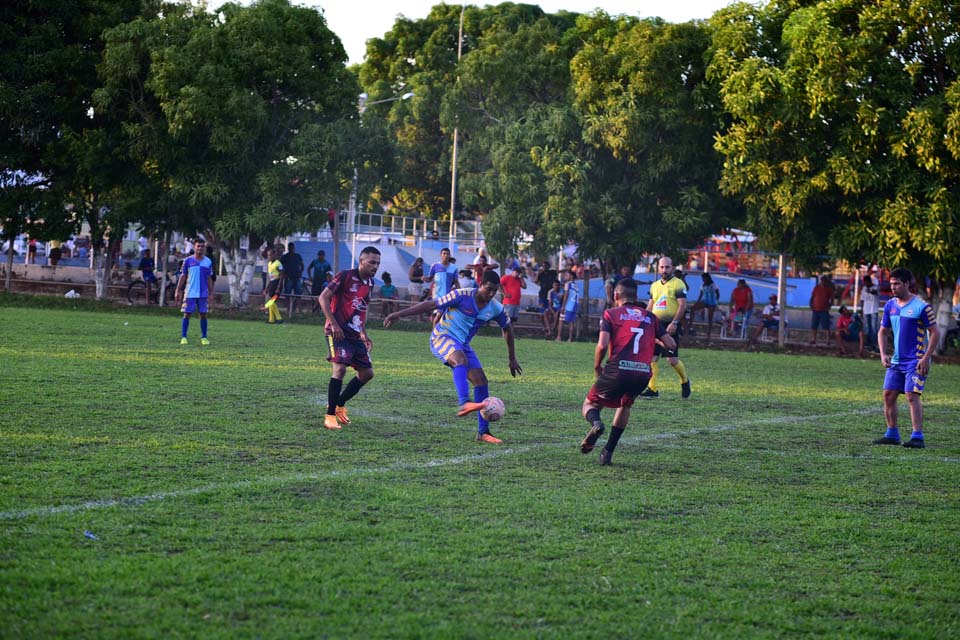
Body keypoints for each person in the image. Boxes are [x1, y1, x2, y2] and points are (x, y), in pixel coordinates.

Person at [383, 270, 522, 444]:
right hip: (442, 337)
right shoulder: (461, 295)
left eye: (495, 291)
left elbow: (507, 328)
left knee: (481, 381)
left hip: (463, 345)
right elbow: (431, 304)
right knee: (460, 360)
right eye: (488, 289)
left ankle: (483, 433)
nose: (491, 294)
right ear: (480, 285)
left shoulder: (495, 308)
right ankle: (464, 402)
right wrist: (399, 314)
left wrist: (512, 358)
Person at [580, 278, 676, 465]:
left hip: (618, 369)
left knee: (589, 404)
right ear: (636, 296)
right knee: (625, 405)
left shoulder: (611, 314)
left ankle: (597, 424)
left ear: (616, 295)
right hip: (642, 373)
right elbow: (671, 344)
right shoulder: (650, 317)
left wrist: (597, 366)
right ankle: (607, 452)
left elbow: (602, 345)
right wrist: (660, 345)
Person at [873, 268, 939, 448]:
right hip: (896, 361)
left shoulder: (921, 306)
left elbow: (935, 333)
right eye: (891, 284)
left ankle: (917, 436)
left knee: (911, 395)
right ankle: (892, 433)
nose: (893, 287)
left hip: (916, 361)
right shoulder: (890, 306)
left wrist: (926, 357)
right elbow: (883, 331)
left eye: (897, 284)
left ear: (907, 284)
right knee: (888, 395)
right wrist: (883, 353)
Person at [319, 246, 382, 430]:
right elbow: (323, 298)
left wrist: (363, 332)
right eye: (372, 262)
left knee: (367, 374)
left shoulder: (369, 284)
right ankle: (329, 416)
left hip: (355, 333)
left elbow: (361, 309)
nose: (375, 266)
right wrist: (334, 324)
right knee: (339, 370)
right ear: (361, 261)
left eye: (377, 263)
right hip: (337, 331)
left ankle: (338, 405)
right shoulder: (345, 276)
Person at [642, 256, 691, 398]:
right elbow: (651, 305)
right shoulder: (654, 285)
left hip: (670, 325)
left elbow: (682, 305)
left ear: (673, 268)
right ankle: (652, 390)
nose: (664, 270)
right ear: (658, 268)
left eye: (667, 267)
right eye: (662, 267)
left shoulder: (678, 284)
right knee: (652, 357)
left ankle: (685, 381)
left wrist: (674, 322)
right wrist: (644, 320)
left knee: (671, 360)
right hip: (655, 325)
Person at [174, 239, 214, 345]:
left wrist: (211, 292)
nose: (200, 248)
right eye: (198, 246)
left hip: (203, 293)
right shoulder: (187, 261)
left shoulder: (208, 261)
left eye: (202, 246)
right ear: (194, 247)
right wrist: (177, 290)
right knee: (187, 314)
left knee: (203, 314)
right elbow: (183, 276)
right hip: (190, 292)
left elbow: (209, 278)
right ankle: (184, 337)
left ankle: (204, 337)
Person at [425, 248, 459, 324]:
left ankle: (437, 333)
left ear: (450, 255)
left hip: (448, 295)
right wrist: (424, 278)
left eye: (447, 254)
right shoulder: (435, 266)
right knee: (439, 315)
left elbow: (456, 282)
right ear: (440, 255)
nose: (446, 255)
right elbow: (429, 279)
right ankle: (435, 334)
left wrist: (460, 292)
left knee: (442, 316)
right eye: (444, 253)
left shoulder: (454, 268)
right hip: (437, 295)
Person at [685, 272, 721, 342]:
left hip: (712, 302)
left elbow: (717, 294)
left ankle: (709, 333)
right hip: (705, 301)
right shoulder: (702, 285)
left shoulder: (713, 285)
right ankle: (690, 325)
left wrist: (716, 302)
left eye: (704, 278)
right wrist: (696, 303)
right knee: (693, 309)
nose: (703, 279)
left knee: (710, 318)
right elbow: (700, 295)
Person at [555, 268, 581, 343]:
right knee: (571, 322)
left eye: (567, 275)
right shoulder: (576, 285)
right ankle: (570, 338)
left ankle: (559, 337)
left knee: (561, 320)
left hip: (568, 305)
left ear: (571, 276)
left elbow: (566, 295)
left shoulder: (568, 284)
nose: (565, 276)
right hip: (574, 305)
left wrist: (563, 306)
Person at [534, 261, 558, 338]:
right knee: (542, 313)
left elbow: (559, 272)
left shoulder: (552, 273)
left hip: (550, 296)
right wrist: (538, 273)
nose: (544, 267)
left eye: (546, 266)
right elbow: (536, 281)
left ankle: (550, 329)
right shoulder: (541, 274)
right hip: (542, 295)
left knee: (550, 313)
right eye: (543, 266)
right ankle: (545, 328)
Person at [809, 274, 834, 346]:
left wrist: (829, 306)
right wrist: (811, 305)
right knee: (814, 325)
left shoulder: (829, 289)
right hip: (816, 309)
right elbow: (812, 297)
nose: (823, 282)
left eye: (824, 281)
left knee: (826, 326)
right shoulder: (816, 288)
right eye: (822, 281)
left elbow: (831, 299)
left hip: (824, 310)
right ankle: (813, 339)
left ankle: (828, 340)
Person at [280, 242, 304, 312]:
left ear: (294, 248)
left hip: (296, 277)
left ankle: (299, 309)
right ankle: (288, 309)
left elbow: (302, 265)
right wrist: (283, 274)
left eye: (292, 247)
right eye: (290, 247)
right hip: (288, 277)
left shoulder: (297, 256)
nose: (291, 248)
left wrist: (301, 272)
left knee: (298, 294)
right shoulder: (285, 257)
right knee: (287, 294)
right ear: (288, 248)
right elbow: (280, 266)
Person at [263, 247, 284, 324]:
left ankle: (278, 318)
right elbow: (271, 277)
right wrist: (267, 288)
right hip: (272, 283)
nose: (269, 257)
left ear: (275, 255)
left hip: (277, 283)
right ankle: (271, 319)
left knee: (271, 301)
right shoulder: (269, 264)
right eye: (268, 255)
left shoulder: (278, 264)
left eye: (271, 255)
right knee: (270, 301)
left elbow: (282, 275)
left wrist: (279, 287)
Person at [861, 273, 880, 347]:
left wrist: (869, 289)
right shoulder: (864, 288)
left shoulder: (876, 287)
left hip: (873, 310)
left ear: (869, 280)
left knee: (873, 328)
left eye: (866, 282)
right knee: (867, 328)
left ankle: (874, 344)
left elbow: (874, 292)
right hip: (866, 310)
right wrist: (861, 310)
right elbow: (862, 300)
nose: (865, 283)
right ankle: (868, 343)